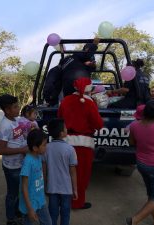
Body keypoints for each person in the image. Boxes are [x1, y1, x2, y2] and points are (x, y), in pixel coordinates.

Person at [58, 77, 103, 209]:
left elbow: (59, 117)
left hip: (66, 142)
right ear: (89, 88)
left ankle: (62, 200)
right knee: (81, 173)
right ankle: (77, 202)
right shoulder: (89, 103)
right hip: (84, 144)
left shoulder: (65, 100)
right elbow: (99, 124)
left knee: (64, 172)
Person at [0, 94, 28, 225]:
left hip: (20, 163)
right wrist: (22, 150)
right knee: (12, 194)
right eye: (15, 107)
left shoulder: (15, 120)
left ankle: (17, 212)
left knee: (20, 191)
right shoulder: (5, 125)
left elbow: (18, 137)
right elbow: (1, 150)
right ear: (7, 110)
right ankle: (11, 219)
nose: (18, 108)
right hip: (11, 167)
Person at [43, 119, 78, 225]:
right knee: (65, 213)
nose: (67, 129)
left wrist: (45, 186)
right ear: (62, 133)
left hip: (52, 188)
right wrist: (75, 189)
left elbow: (43, 170)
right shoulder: (70, 149)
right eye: (65, 128)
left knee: (52, 213)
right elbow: (73, 172)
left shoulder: (46, 148)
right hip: (66, 190)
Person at [19, 129, 52, 225]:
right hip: (30, 204)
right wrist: (30, 209)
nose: (46, 147)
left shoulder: (39, 157)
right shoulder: (28, 162)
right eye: (44, 145)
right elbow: (24, 187)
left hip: (40, 200)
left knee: (47, 222)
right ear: (35, 148)